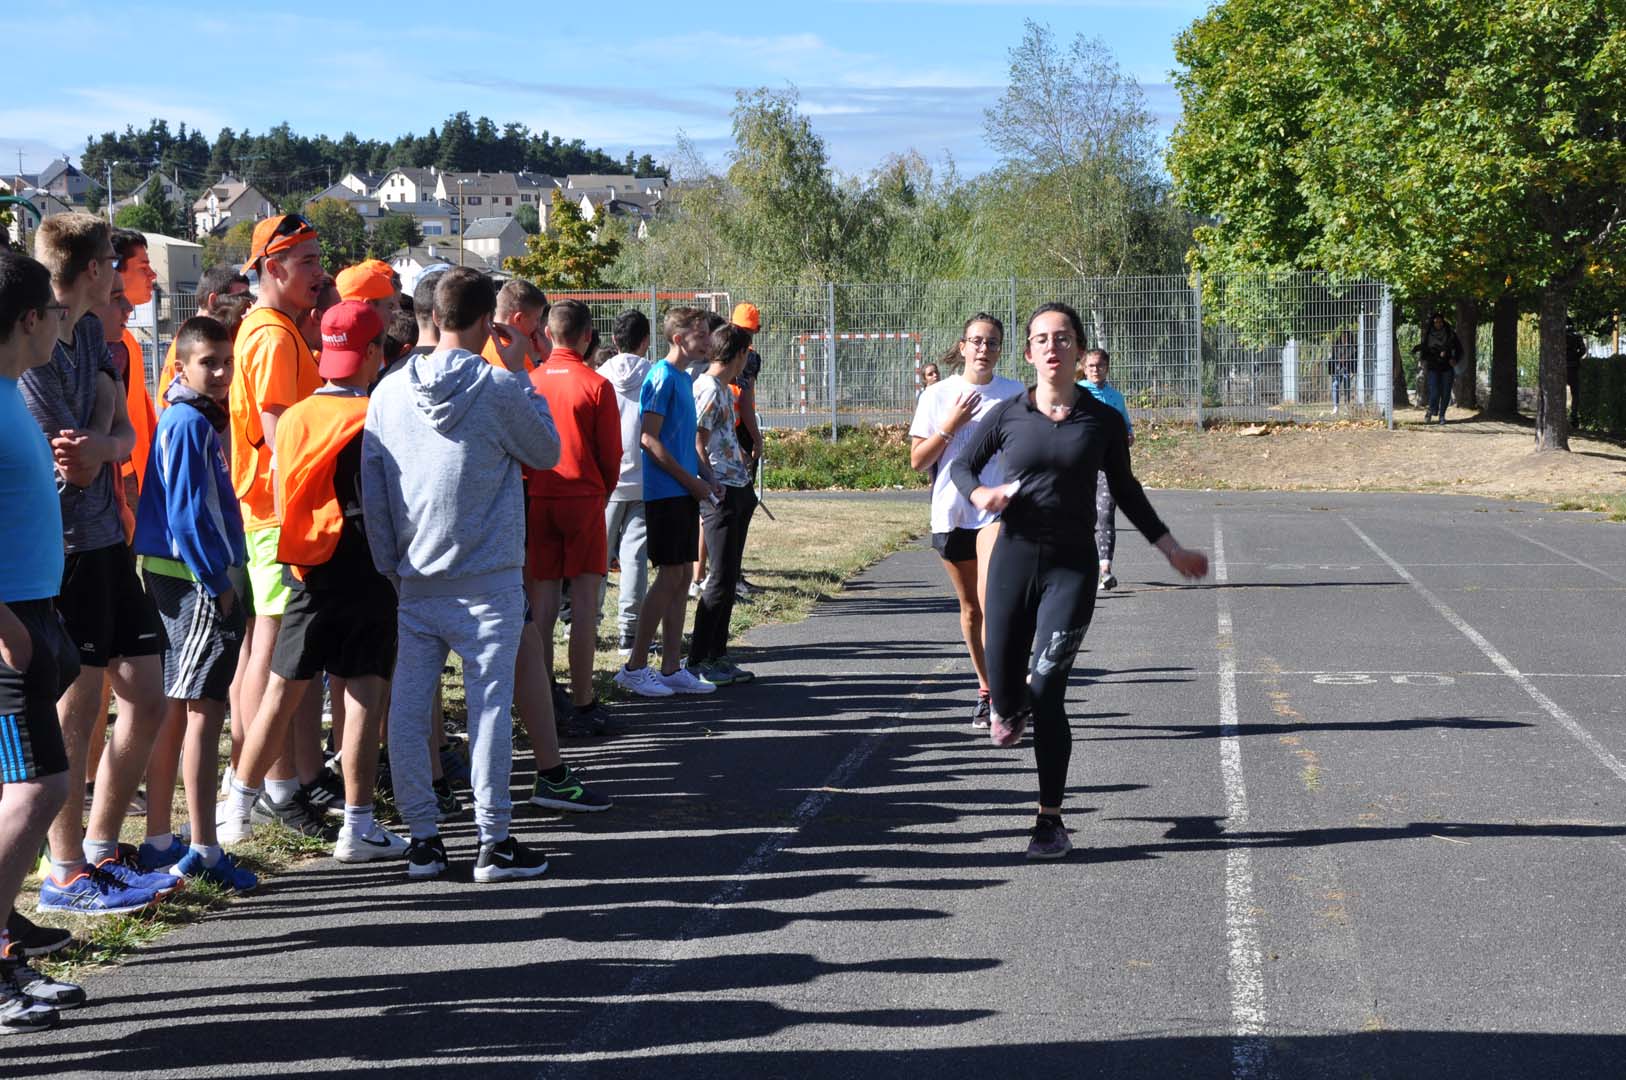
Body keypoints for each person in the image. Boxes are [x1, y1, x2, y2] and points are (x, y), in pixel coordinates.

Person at [952, 302, 1208, 860]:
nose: (1051, 347)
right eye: (1040, 339)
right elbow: (960, 466)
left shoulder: (1102, 420)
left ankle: (1049, 819)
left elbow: (1127, 492)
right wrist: (981, 495)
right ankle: (1003, 705)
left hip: (1071, 568)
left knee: (1048, 692)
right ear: (1028, 353)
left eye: (1062, 338)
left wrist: (1170, 549)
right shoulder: (1008, 415)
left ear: (1078, 350)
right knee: (1005, 692)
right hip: (1013, 562)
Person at [362, 267, 560, 882]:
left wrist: (388, 563)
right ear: (484, 323)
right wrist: (520, 372)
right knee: (489, 708)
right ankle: (493, 841)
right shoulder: (501, 387)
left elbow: (373, 485)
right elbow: (547, 451)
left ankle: (424, 838)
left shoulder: (389, 391)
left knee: (412, 706)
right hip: (487, 578)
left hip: (416, 575)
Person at [21, 214, 180, 914]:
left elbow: (112, 435)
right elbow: (70, 456)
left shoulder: (92, 332)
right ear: (91, 269)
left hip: (108, 538)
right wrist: (104, 440)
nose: (122, 273)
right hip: (61, 550)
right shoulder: (36, 335)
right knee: (75, 710)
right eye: (115, 261)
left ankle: (100, 848)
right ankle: (65, 873)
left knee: (147, 692)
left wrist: (110, 443)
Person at [219, 301, 410, 862]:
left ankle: (237, 808)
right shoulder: (379, 412)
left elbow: (282, 494)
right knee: (361, 695)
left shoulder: (298, 414)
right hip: (369, 567)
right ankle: (358, 825)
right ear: (373, 353)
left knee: (282, 690)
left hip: (306, 565)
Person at [131, 316, 256, 889]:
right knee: (206, 711)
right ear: (178, 369)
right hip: (193, 579)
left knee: (183, 705)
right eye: (209, 362)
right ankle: (204, 848)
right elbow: (186, 514)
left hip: (183, 574)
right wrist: (217, 579)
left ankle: (164, 837)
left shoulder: (196, 417)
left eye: (227, 360)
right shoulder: (186, 421)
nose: (222, 372)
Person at [0, 252, 88, 1031]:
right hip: (11, 628)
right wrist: (8, 632)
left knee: (24, 791)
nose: (63, 324)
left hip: (36, 613)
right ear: (30, 319)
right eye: (55, 313)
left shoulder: (6, 397)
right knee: (40, 791)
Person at [226, 214, 332, 835]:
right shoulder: (269, 335)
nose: (320, 273)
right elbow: (278, 433)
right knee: (272, 651)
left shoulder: (277, 329)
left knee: (277, 650)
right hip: (275, 513)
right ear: (274, 268)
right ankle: (267, 785)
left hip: (273, 511)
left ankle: (280, 780)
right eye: (310, 262)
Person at [908, 314, 1024, 728]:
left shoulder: (1014, 395)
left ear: (1000, 350)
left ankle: (1007, 692)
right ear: (962, 347)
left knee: (996, 604)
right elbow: (918, 461)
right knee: (972, 609)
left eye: (992, 343)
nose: (983, 350)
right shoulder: (937, 395)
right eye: (976, 341)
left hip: (998, 512)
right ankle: (987, 689)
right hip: (952, 512)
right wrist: (949, 427)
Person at [524, 299, 621, 737]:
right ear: (586, 337)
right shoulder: (596, 384)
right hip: (583, 497)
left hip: (540, 497)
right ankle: (583, 701)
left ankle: (545, 699)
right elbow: (611, 454)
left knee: (540, 608)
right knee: (584, 608)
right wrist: (601, 490)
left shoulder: (530, 380)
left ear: (547, 334)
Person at [613, 307, 718, 698]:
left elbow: (683, 439)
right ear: (679, 338)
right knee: (671, 577)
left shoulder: (683, 378)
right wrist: (690, 481)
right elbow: (649, 439)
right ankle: (635, 666)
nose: (708, 342)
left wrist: (707, 478)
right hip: (665, 493)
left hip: (682, 491)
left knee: (678, 578)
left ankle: (672, 666)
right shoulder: (660, 376)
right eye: (701, 335)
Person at [687, 325, 759, 685]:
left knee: (728, 577)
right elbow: (696, 441)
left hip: (736, 486)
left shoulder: (720, 389)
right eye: (748, 353)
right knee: (719, 579)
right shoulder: (708, 389)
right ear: (740, 354)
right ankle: (699, 658)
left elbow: (717, 437)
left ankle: (718, 654)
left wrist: (740, 454)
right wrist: (711, 482)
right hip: (722, 493)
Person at [599, 310, 652, 658]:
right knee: (635, 558)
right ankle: (628, 633)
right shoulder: (653, 374)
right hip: (644, 478)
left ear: (615, 341)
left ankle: (585, 624)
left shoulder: (599, 376)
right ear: (645, 342)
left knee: (597, 559)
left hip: (607, 479)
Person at [156, 266, 253, 409]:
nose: (247, 305)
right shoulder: (192, 342)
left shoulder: (216, 337)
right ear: (213, 301)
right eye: (239, 298)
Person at [1078, 348, 1134, 592]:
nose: (1095, 370)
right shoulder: (1076, 393)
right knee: (1080, 517)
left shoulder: (1115, 397)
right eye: (1090, 366)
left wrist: (1127, 436)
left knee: (1105, 515)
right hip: (1079, 466)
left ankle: (1105, 571)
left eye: (1099, 366)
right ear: (1083, 367)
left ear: (1107, 368)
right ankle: (1079, 569)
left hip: (1108, 465)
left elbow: (1126, 427)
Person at [482, 279, 549, 374]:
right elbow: (535, 387)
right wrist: (545, 355)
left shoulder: (480, 342)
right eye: (536, 319)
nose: (538, 326)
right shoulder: (516, 358)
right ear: (519, 318)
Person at [1416, 311, 1461, 424]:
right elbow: (1424, 353)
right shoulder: (1428, 335)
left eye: (1440, 322)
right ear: (1433, 323)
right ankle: (1431, 410)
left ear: (1443, 322)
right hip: (1433, 367)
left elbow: (1459, 349)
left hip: (1447, 368)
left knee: (1446, 393)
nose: (1438, 324)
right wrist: (1434, 354)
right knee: (1434, 391)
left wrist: (1454, 359)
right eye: (1435, 322)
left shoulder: (1450, 334)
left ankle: (1442, 415)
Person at [1329, 328, 1357, 413]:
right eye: (1343, 336)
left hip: (1347, 369)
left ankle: (1346, 405)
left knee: (1347, 384)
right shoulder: (1337, 345)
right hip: (1338, 369)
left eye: (1346, 337)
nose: (1344, 338)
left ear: (1349, 338)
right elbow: (1335, 356)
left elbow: (1349, 356)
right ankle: (1336, 406)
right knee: (1335, 384)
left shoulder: (1352, 347)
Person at [1565, 319, 1586, 428]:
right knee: (1575, 393)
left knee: (1558, 392)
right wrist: (1575, 356)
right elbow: (1583, 350)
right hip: (1573, 367)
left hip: (1561, 367)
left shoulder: (1559, 335)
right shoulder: (1577, 336)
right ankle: (1574, 415)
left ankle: (1560, 414)